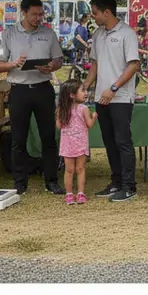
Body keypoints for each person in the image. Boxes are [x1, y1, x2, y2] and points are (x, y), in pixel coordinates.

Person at [0, 0, 65, 196]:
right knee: (18, 138)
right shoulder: (9, 34)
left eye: (41, 14)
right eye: (34, 14)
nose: (38, 18)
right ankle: (19, 183)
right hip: (20, 90)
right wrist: (13, 64)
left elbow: (58, 59)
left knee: (48, 136)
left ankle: (51, 181)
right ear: (23, 13)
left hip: (43, 87)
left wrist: (52, 66)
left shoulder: (48, 33)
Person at [84, 0, 140, 202]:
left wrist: (114, 88)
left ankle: (129, 186)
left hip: (121, 98)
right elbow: (95, 64)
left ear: (107, 12)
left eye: (95, 13)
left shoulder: (127, 33)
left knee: (123, 141)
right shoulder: (98, 34)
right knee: (109, 142)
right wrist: (85, 86)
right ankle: (116, 181)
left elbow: (134, 64)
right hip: (101, 98)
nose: (93, 17)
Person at [56, 78, 97, 206]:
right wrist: (94, 117)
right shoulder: (84, 109)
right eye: (82, 90)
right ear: (72, 95)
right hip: (80, 144)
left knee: (69, 170)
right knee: (80, 169)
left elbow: (59, 125)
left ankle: (69, 194)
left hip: (67, 144)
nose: (85, 93)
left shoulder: (61, 110)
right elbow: (89, 124)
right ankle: (80, 193)